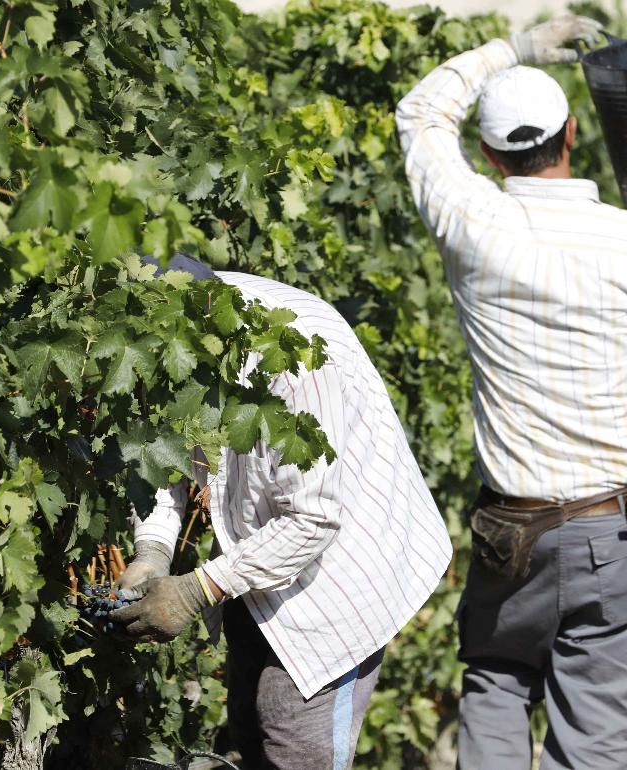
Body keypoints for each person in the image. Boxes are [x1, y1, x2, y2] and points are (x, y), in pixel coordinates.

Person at [396, 15, 627, 769]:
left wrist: (516, 45)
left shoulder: (471, 222)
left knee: (497, 682)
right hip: (618, 531)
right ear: (572, 135)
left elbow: (419, 110)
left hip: (512, 534)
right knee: (595, 741)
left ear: (487, 154)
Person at [112, 258, 453, 770]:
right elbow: (165, 455)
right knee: (250, 733)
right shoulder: (162, 329)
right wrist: (154, 549)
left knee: (295, 746)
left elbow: (313, 519)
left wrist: (195, 589)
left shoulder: (293, 368)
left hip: (340, 572)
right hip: (257, 555)